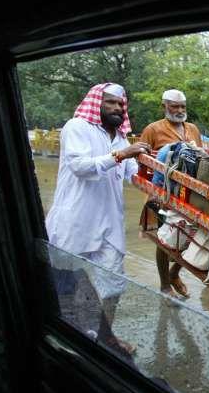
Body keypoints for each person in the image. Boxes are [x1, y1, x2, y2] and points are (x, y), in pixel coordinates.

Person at [45, 83, 150, 354]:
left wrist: (161, 180)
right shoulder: (76, 127)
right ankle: (66, 336)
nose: (116, 108)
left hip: (109, 224)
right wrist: (122, 154)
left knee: (114, 283)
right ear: (96, 102)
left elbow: (133, 174)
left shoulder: (121, 137)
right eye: (110, 102)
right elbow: (80, 167)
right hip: (75, 220)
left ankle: (106, 337)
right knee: (64, 283)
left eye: (120, 104)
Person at [140, 89, 202, 298]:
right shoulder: (153, 129)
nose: (179, 110)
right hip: (163, 194)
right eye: (174, 106)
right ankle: (165, 285)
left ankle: (175, 273)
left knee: (191, 235)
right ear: (164, 106)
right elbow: (141, 160)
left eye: (182, 106)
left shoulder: (192, 129)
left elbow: (200, 158)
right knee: (164, 240)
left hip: (189, 194)